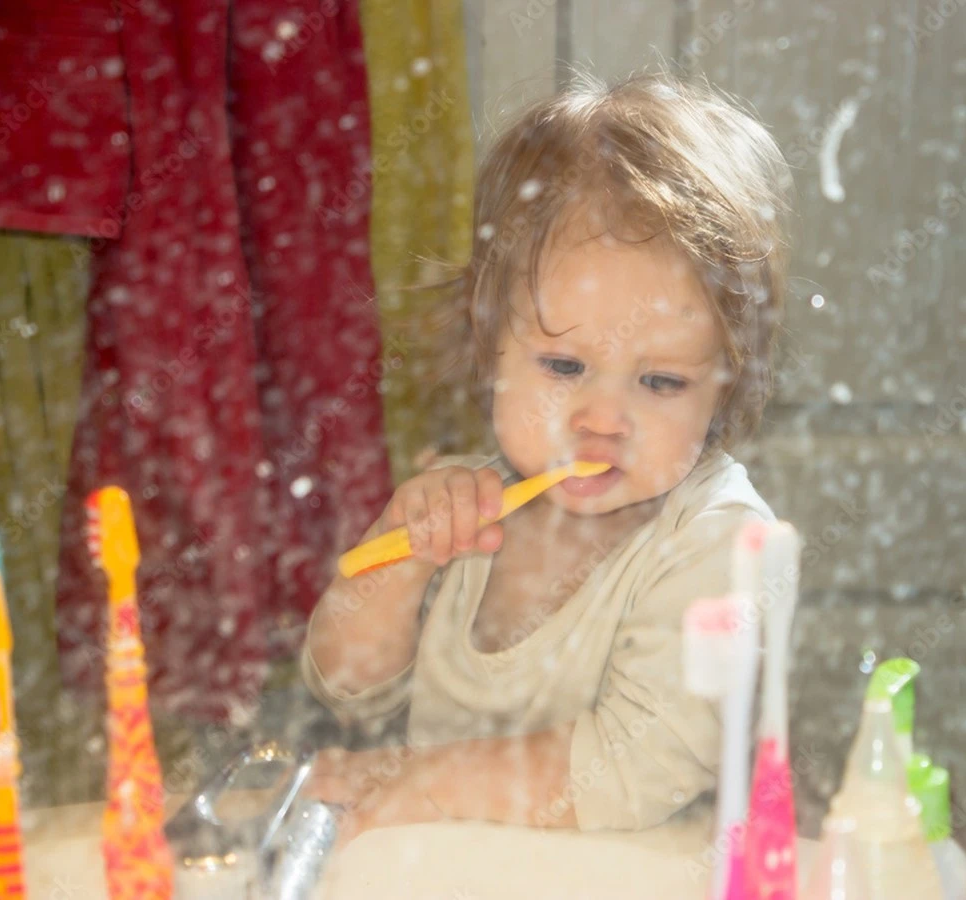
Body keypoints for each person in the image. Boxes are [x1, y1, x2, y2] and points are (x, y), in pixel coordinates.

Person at [298, 68, 794, 844]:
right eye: (564, 368)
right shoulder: (477, 497)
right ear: (488, 341)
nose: (603, 419)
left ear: (727, 386)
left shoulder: (717, 542)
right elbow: (345, 688)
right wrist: (400, 559)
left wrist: (421, 780)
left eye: (661, 381)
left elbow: (637, 766)